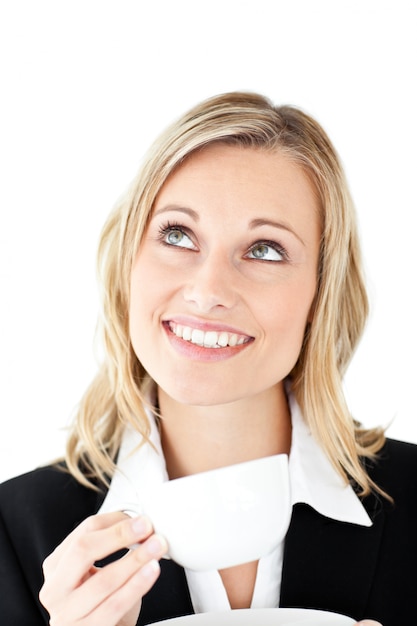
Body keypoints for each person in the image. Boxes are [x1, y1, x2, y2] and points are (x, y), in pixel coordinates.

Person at [0, 92, 415, 626]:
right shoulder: (16, 532)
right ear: (128, 262)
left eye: (265, 249)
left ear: (321, 294)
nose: (207, 290)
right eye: (177, 235)